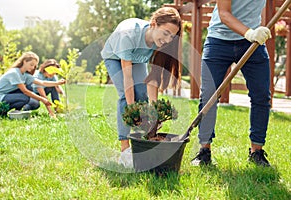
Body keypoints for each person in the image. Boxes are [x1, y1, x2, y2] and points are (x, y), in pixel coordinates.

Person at [191, 0, 272, 167]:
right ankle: (204, 151)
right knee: (209, 95)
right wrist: (250, 33)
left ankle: (256, 152)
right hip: (219, 41)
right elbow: (224, 14)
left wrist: (252, 36)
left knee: (261, 96)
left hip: (252, 43)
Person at [101, 7, 182, 167]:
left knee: (142, 95)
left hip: (137, 59)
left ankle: (143, 143)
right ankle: (125, 150)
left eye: (171, 36)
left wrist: (154, 111)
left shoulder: (160, 44)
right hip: (114, 57)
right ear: (153, 24)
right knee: (126, 96)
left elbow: (153, 79)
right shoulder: (128, 35)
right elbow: (128, 78)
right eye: (165, 33)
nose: (167, 40)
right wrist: (131, 110)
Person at [0, 52, 65, 117]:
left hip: (6, 95)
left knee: (26, 95)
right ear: (24, 61)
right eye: (31, 64)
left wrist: (58, 83)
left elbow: (42, 82)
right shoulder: (14, 73)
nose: (33, 67)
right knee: (25, 97)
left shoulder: (25, 75)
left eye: (34, 66)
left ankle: (12, 112)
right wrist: (42, 99)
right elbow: (25, 91)